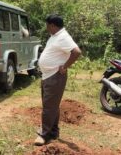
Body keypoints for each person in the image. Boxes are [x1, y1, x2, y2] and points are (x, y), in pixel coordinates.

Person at [34, 14, 82, 146]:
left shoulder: (63, 37)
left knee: (49, 107)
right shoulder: (55, 36)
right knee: (51, 105)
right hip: (48, 76)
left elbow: (76, 52)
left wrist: (65, 66)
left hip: (55, 76)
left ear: (53, 25)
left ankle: (44, 134)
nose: (46, 28)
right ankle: (53, 132)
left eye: (47, 25)